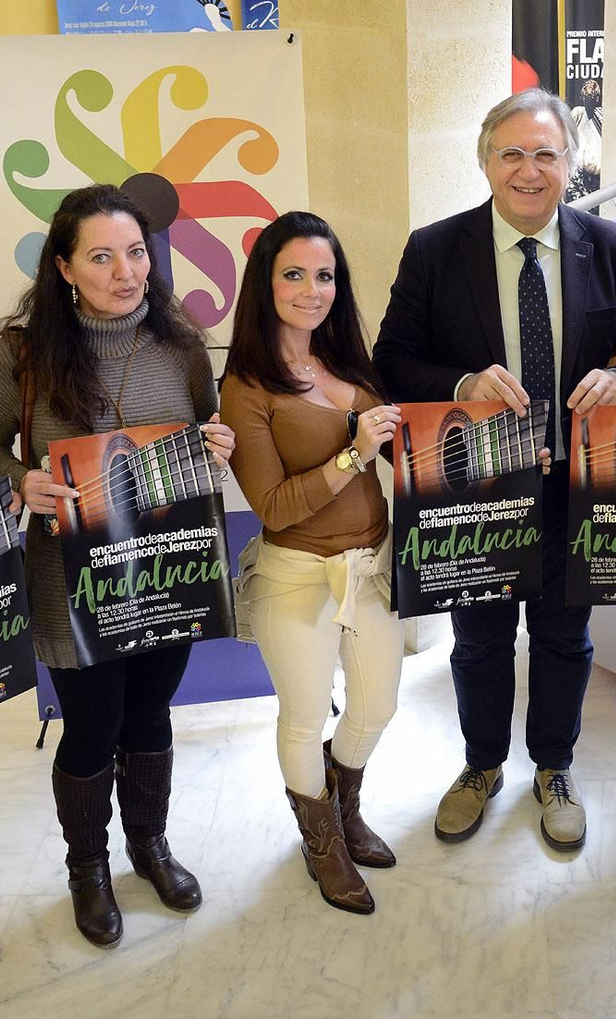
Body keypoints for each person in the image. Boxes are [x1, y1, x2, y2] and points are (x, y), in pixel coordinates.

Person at [373, 87, 616, 851]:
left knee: (565, 638)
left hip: (575, 485)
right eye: (512, 154)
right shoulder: (435, 249)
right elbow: (390, 359)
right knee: (479, 640)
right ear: (485, 163)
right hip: (477, 487)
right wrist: (461, 385)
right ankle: (481, 764)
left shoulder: (612, 247)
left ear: (570, 163)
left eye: (545, 154)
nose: (529, 171)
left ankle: (555, 766)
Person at [0, 183, 235, 947]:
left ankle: (150, 844)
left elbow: (206, 432)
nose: (126, 272)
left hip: (166, 569)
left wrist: (218, 446)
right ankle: (88, 866)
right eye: (102, 257)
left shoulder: (182, 346)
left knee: (150, 713)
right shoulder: (21, 355)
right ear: (64, 267)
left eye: (137, 253)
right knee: (91, 725)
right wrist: (21, 481)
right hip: (72, 578)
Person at [219, 211, 406, 915]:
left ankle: (338, 801)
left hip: (372, 567)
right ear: (265, 284)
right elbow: (273, 506)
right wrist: (354, 453)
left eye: (324, 275)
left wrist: (494, 453)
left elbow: (404, 450)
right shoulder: (245, 386)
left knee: (377, 704)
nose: (311, 290)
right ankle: (322, 842)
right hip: (295, 578)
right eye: (293, 274)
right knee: (302, 718)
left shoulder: (350, 363)